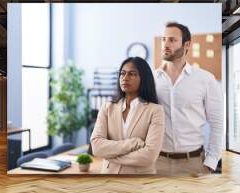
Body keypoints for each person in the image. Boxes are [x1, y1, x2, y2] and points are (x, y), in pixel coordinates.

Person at [154, 21, 224, 176]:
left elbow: (217, 123)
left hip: (193, 163)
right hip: (156, 163)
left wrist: (211, 163)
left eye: (172, 40)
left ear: (187, 45)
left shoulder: (205, 79)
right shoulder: (151, 79)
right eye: (163, 39)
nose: (166, 44)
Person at [90, 57, 165, 174]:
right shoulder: (107, 108)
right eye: (122, 73)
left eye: (132, 74)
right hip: (109, 180)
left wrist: (110, 156)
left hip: (140, 183)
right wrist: (133, 143)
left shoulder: (155, 111)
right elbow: (96, 147)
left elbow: (149, 156)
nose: (125, 78)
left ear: (143, 78)